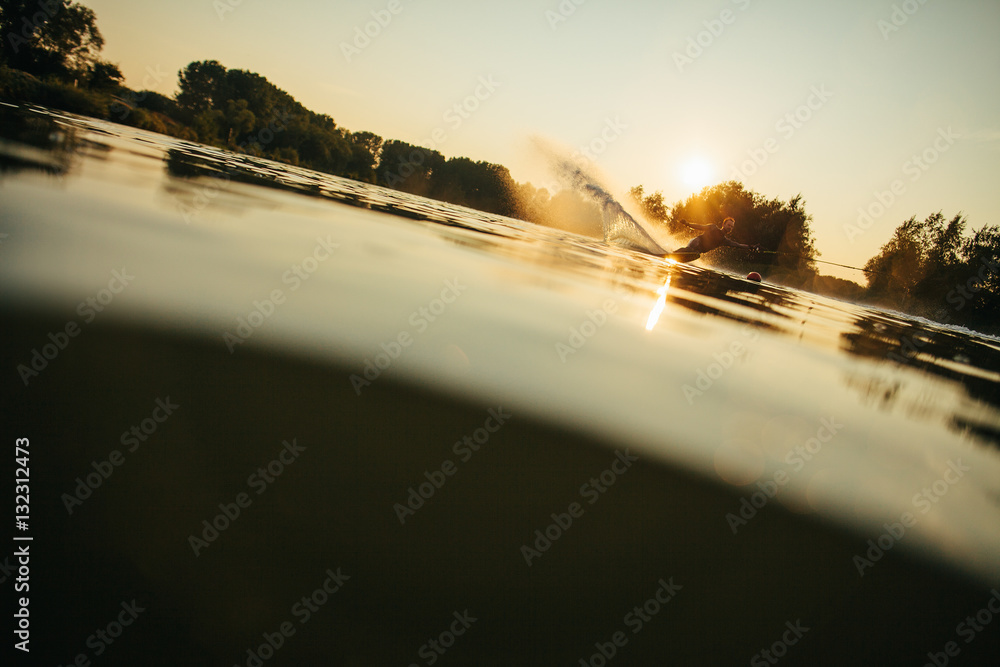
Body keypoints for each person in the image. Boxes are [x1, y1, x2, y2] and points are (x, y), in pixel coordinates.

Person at [668, 217, 759, 260]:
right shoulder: (713, 227)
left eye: (731, 227)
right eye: (728, 225)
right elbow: (699, 226)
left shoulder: (724, 241)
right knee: (692, 249)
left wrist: (750, 247)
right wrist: (687, 224)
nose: (730, 227)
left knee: (696, 253)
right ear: (723, 225)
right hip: (696, 242)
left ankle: (677, 256)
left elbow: (738, 245)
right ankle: (672, 254)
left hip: (697, 251)